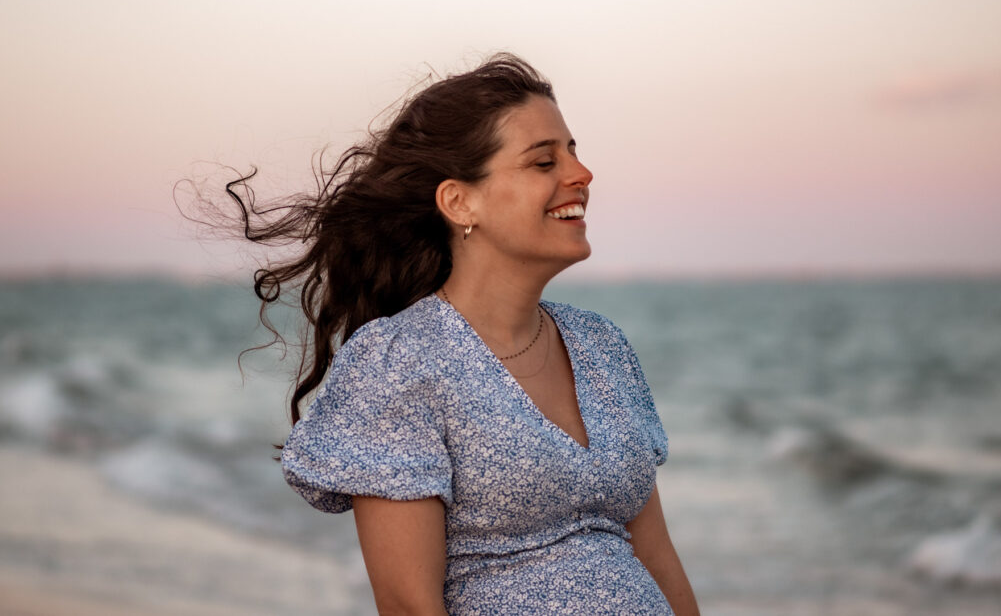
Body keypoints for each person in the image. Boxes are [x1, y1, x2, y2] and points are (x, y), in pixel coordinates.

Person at [242, 54, 699, 614]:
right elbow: (409, 605)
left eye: (573, 151)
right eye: (544, 161)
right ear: (460, 202)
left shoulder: (602, 346)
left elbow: (656, 557)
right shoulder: (399, 362)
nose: (581, 174)